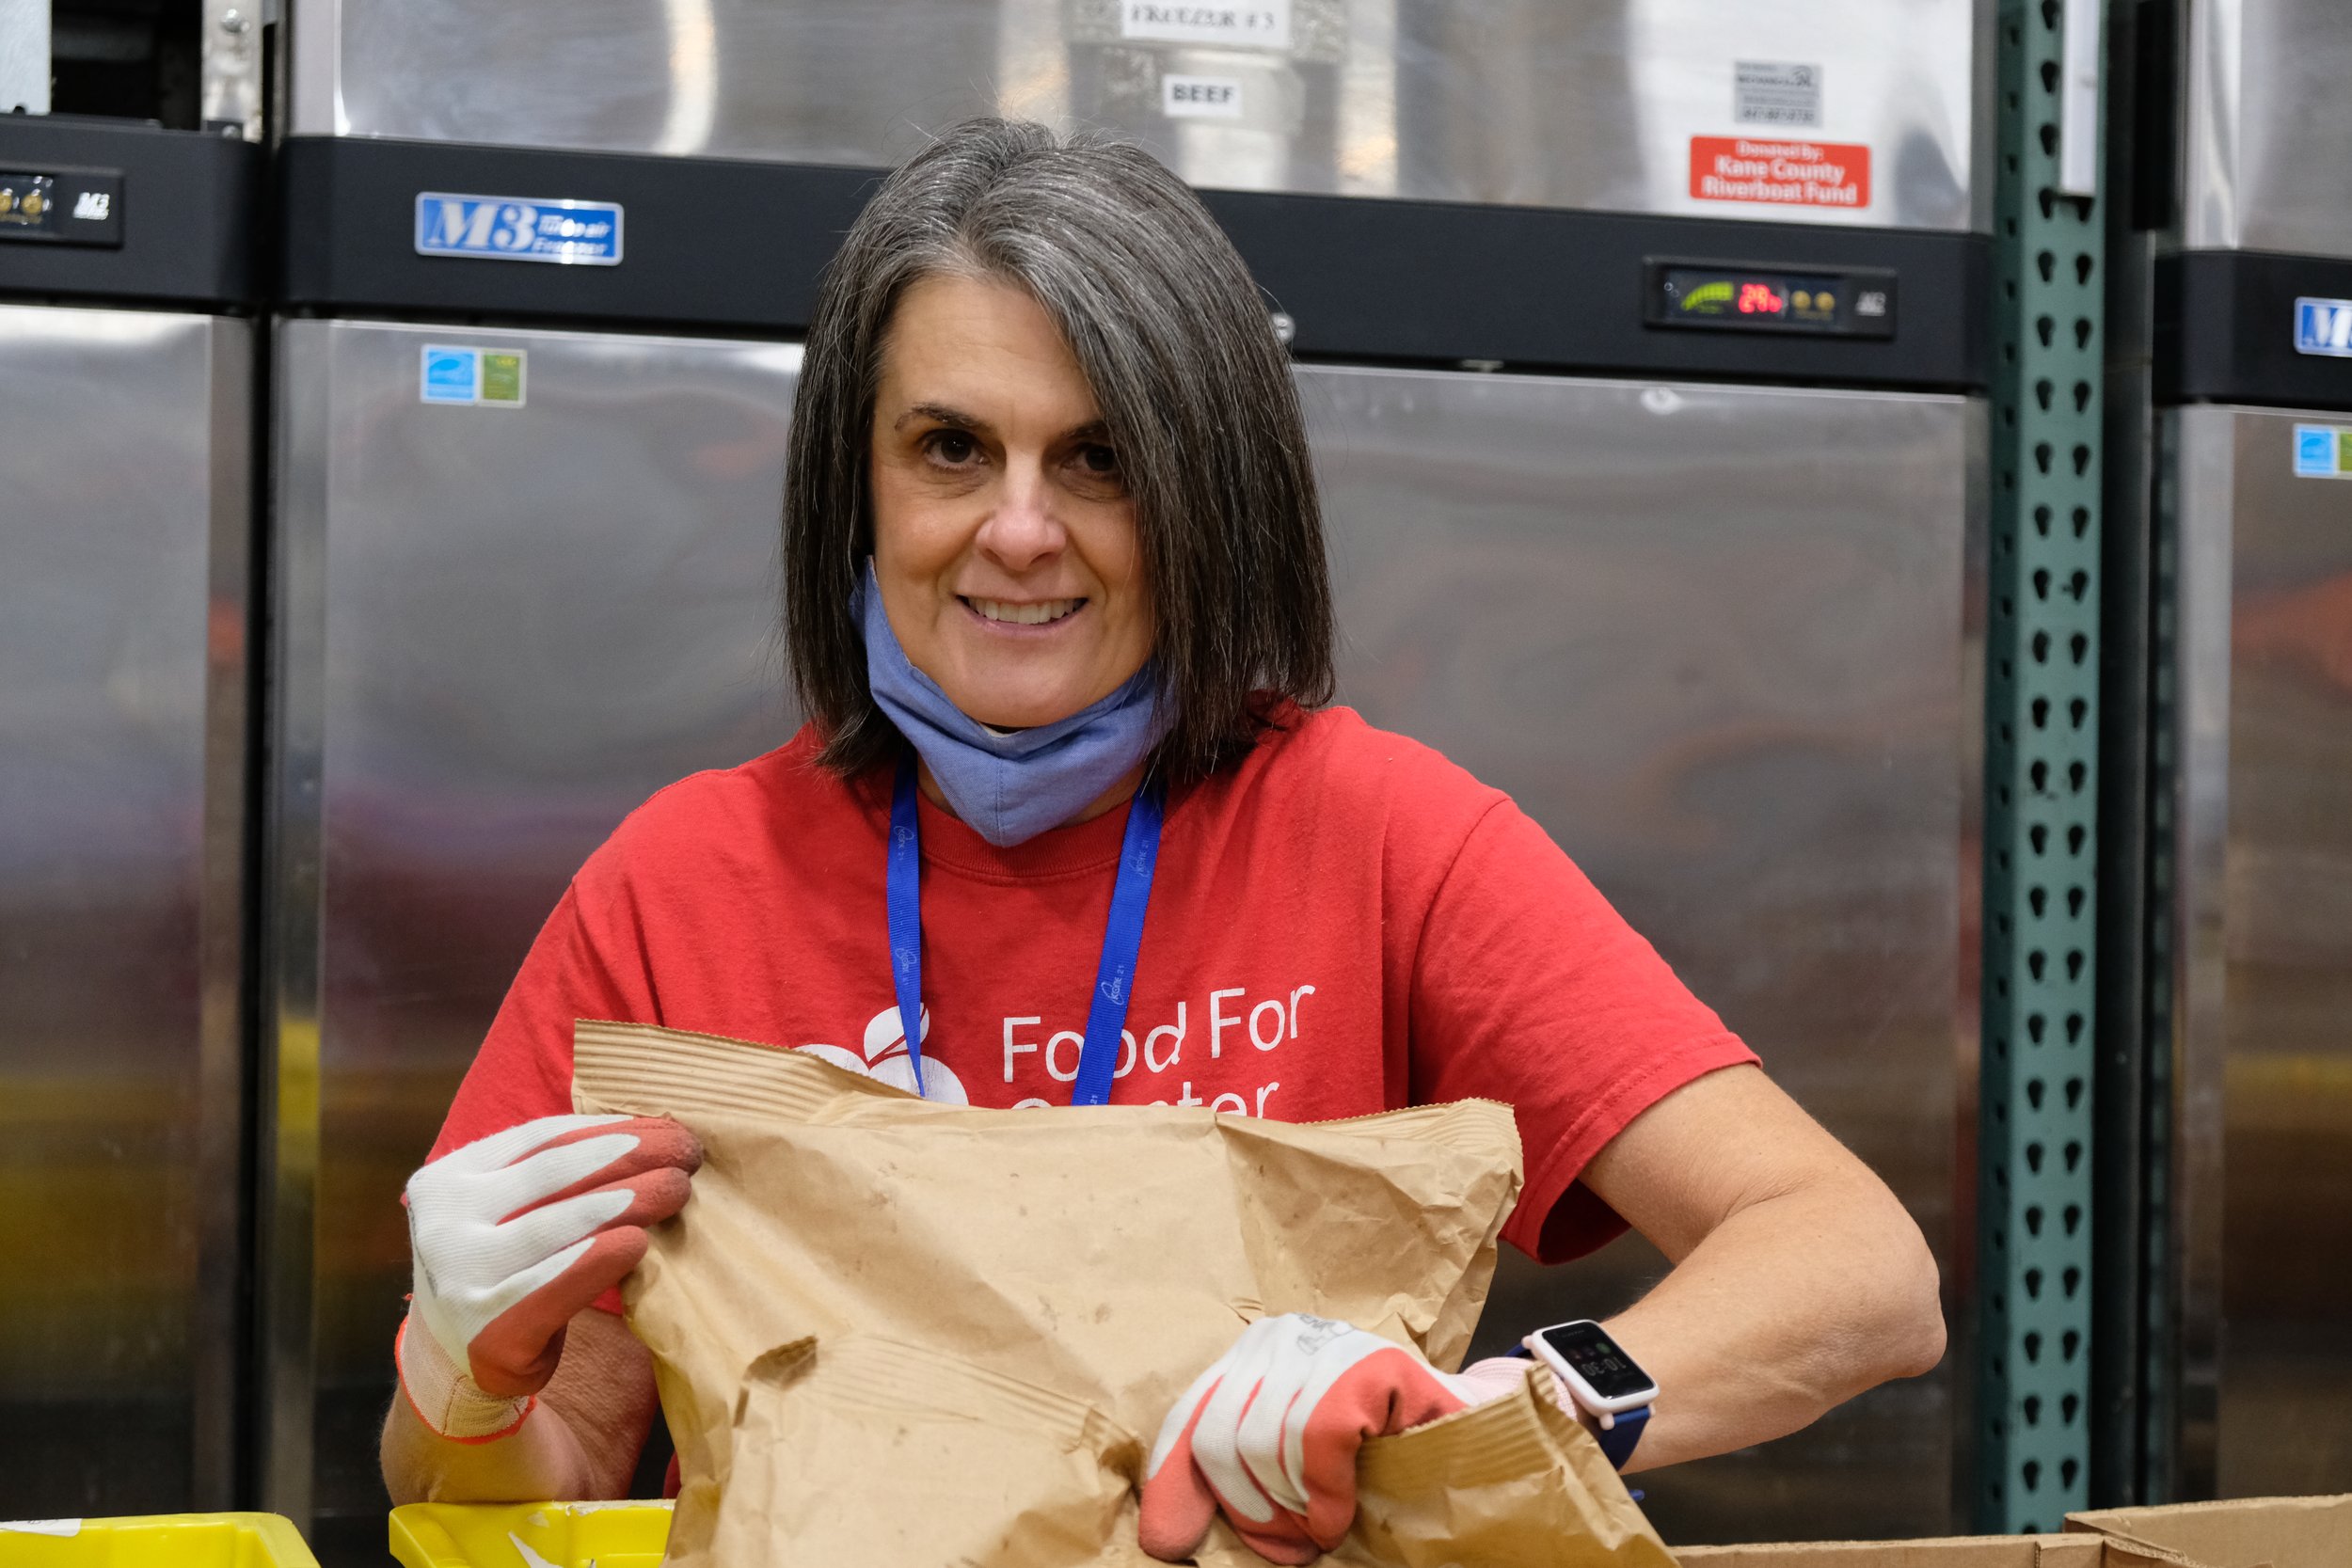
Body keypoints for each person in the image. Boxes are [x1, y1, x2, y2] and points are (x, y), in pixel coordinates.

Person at [382, 119, 1945, 1559]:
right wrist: (458, 1377)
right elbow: (547, 1475)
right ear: (852, 485)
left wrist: (1514, 1408)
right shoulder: (682, 884)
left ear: (1210, 491)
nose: (1016, 530)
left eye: (1101, 457)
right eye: (949, 449)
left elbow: (1856, 1270)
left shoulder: (1375, 834)